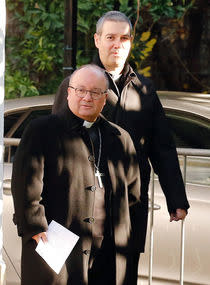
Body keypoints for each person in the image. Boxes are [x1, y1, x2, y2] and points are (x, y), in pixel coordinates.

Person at [52, 11, 190, 284]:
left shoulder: (145, 90)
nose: (117, 44)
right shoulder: (77, 84)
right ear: (97, 40)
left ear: (130, 42)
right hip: (83, 207)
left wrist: (177, 199)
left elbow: (162, 146)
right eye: (110, 37)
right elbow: (56, 146)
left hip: (129, 208)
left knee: (123, 278)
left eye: (124, 38)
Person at [11, 64, 141, 285]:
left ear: (104, 98)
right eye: (80, 90)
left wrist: (126, 235)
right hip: (57, 240)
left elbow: (133, 194)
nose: (87, 97)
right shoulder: (43, 130)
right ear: (69, 92)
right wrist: (34, 225)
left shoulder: (120, 138)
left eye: (94, 92)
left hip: (108, 246)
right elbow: (25, 184)